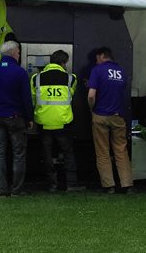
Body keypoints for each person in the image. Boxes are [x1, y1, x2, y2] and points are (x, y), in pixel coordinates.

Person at [0, 40, 33, 197]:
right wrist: (29, 117)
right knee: (18, 153)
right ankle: (16, 190)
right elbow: (26, 98)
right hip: (15, 118)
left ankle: (1, 190)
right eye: (18, 52)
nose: (19, 55)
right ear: (13, 53)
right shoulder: (20, 72)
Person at [31, 50, 85, 193]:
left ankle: (52, 184)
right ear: (63, 63)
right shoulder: (71, 78)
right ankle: (71, 184)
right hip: (63, 122)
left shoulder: (35, 78)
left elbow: (33, 98)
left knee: (47, 153)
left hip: (43, 122)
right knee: (68, 152)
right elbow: (71, 95)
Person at [87, 46, 134, 194]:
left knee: (102, 151)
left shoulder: (97, 70)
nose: (96, 61)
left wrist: (91, 109)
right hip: (118, 116)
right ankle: (127, 184)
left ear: (101, 56)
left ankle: (109, 186)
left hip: (100, 115)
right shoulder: (121, 71)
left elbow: (91, 95)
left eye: (96, 58)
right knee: (121, 150)